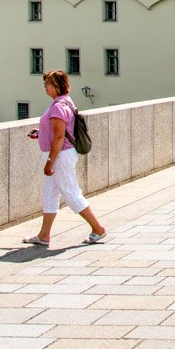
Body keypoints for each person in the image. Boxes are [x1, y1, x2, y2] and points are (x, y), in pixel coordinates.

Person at [21, 70, 107, 247]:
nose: (45, 87)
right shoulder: (65, 102)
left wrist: (50, 162)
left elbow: (60, 137)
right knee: (50, 195)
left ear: (57, 86)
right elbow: (58, 132)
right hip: (60, 154)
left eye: (48, 84)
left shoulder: (58, 106)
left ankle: (98, 228)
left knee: (71, 193)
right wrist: (41, 134)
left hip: (60, 156)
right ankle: (44, 235)